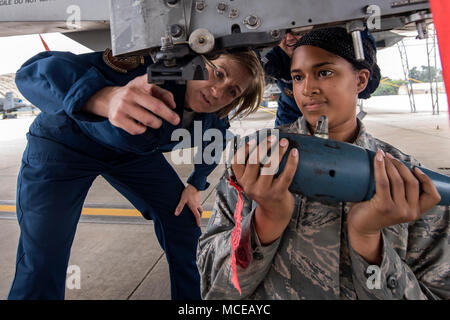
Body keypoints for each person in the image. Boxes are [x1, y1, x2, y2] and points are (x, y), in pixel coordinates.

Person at [197, 27, 450, 299]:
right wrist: (263, 224)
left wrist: (368, 241)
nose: (307, 89)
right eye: (297, 77)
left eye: (324, 72)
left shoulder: (407, 182)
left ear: (360, 80)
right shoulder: (256, 158)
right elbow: (215, 286)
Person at [8, 48, 264, 300]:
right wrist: (103, 97)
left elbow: (215, 139)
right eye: (218, 73)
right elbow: (32, 71)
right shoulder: (148, 69)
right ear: (197, 60)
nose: (218, 91)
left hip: (130, 154)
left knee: (184, 222)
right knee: (45, 251)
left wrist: (195, 185)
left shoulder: (211, 113)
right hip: (65, 143)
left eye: (232, 91)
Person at [261, 28, 303, 126]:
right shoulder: (273, 58)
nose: (289, 38)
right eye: (281, 33)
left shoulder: (323, 51)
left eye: (295, 31)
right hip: (289, 115)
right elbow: (256, 75)